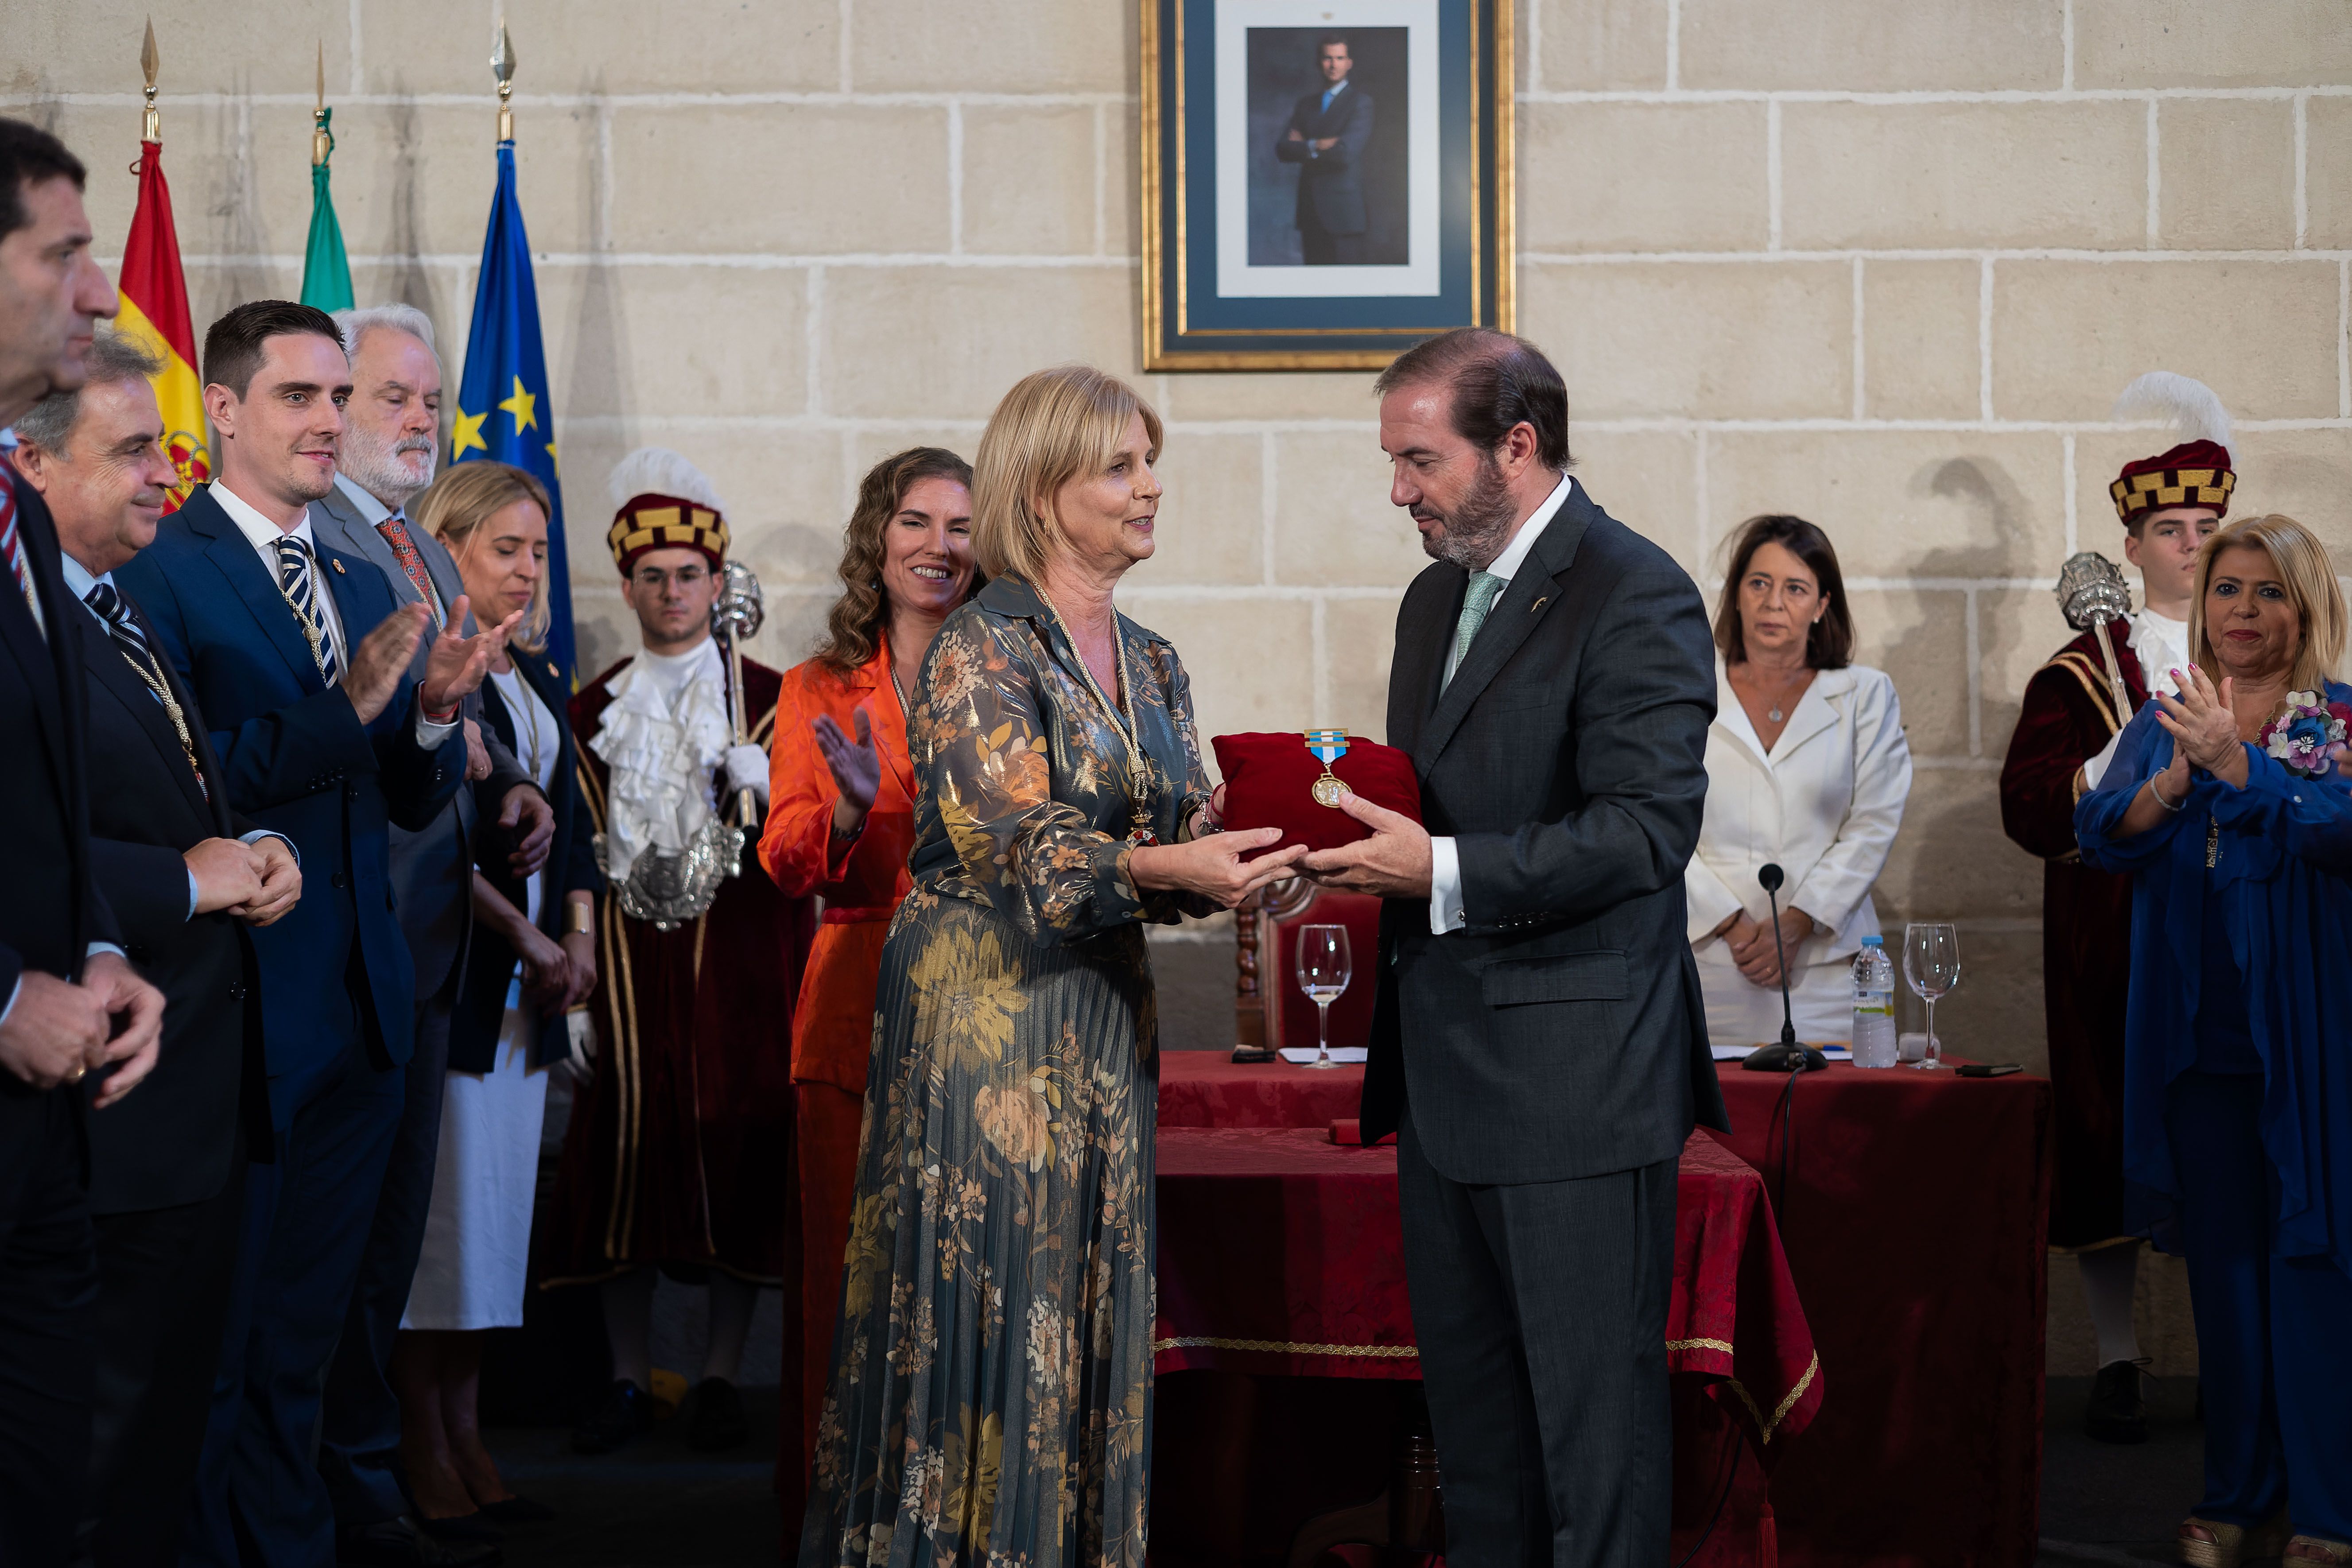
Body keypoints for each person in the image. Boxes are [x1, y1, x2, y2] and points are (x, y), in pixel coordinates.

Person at [800, 365, 1305, 1568]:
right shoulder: (983, 645)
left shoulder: (1156, 658)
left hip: (1097, 1011)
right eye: (1121, 467)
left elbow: (1168, 832)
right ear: (1044, 486)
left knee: (1083, 1295)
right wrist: (1180, 866)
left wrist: (1247, 868)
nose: (1149, 487)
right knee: (995, 1300)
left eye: (1149, 462)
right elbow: (1023, 848)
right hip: (990, 1015)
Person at [1298, 327, 1725, 1568]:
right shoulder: (1434, 595)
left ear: (1517, 447)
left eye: (1418, 460)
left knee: (1592, 1453)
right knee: (1479, 1449)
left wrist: (1430, 870)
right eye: (1392, 461)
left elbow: (1642, 833)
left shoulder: (1632, 588)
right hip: (1441, 1081)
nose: (1397, 492)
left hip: (1575, 1087)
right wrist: (1315, 862)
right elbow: (1426, 806)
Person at [113, 299, 512, 1568]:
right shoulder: (158, 575)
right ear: (222, 410)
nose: (331, 422)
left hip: (362, 1012)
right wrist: (351, 711)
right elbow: (184, 789)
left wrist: (436, 720)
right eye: (300, 397)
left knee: (313, 1337)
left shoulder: (356, 571)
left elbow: (393, 793)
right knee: (220, 1349)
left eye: (342, 398)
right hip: (238, 1024)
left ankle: (296, 1546)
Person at [8, 329, 302, 1568]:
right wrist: (180, 883)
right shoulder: (33, 630)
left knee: (175, 1438)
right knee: (93, 1455)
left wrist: (256, 843)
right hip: (107, 1103)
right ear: (29, 466)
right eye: (130, 452)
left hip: (199, 1099)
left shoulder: (120, 604)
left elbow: (184, 794)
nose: (161, 480)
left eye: (163, 450)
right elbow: (40, 847)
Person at [314, 302, 550, 1565]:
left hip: (425, 953)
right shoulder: (330, 545)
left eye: (428, 400)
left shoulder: (401, 542)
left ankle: (362, 1485)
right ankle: (350, 1490)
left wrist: (505, 788)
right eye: (389, 395)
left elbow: (441, 734)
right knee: (341, 1264)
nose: (418, 418)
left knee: (384, 1252)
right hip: (351, 953)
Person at [2075, 513, 2352, 1568]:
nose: (2242, 611)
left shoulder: (2330, 718)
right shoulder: (2167, 714)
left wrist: (2242, 765)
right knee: (2227, 1282)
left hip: (2308, 1043)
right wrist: (2172, 778)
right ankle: (2235, 1492)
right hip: (2195, 1045)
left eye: (2267, 591)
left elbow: (2334, 830)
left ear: (2305, 604)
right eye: (2227, 589)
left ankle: (2325, 1508)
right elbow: (2101, 834)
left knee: (2313, 1267)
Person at [547, 448, 815, 1457]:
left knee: (742, 1151)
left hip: (746, 964)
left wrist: (776, 777)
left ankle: (713, 1377)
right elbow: (570, 847)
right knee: (621, 1155)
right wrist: (567, 990)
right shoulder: (587, 712)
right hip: (622, 969)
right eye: (651, 575)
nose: (671, 591)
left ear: (718, 580)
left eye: (688, 573)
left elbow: (812, 848)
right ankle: (626, 1377)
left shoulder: (777, 699)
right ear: (626, 585)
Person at [2000, 377, 2230, 1444]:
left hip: (2230, 928)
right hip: (2114, 934)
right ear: (2129, 548)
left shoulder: (2259, 651)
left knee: (2226, 1133)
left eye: (2206, 526)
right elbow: (2027, 806)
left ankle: (2237, 1353)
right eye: (2169, 529)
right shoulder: (2078, 674)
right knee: (2106, 1133)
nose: (2190, 545)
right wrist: (2125, 746)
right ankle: (2118, 1358)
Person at [0, 118, 166, 1568]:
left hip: (44, 1139)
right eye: (61, 252)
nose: (100, 294)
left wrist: (101, 951)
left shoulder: (14, 516)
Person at [758, 446, 979, 1521]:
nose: (938, 546)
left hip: (988, 1014)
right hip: (854, 1009)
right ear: (876, 539)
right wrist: (848, 809)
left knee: (960, 1282)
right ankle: (843, 1511)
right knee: (849, 1281)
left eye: (960, 526)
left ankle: (962, 1508)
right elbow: (786, 858)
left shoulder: (1016, 674)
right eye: (915, 522)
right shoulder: (816, 686)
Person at [396, 460, 600, 1529]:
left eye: (535, 550)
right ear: (452, 548)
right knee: (440, 1228)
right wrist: (522, 933)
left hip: (530, 993)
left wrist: (570, 934)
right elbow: (427, 840)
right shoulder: (440, 673)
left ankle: (468, 1429)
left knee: (492, 1230)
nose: (526, 570)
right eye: (503, 549)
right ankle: (420, 1444)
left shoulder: (539, 675)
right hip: (463, 985)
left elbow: (572, 826)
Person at [1686, 514, 1910, 1045]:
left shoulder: (1865, 695)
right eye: (1758, 583)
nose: (1773, 603)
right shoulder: (1687, 687)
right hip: (1709, 959)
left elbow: (1874, 822)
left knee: (1836, 1119)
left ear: (1822, 605)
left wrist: (1799, 923)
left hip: (1826, 966)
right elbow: (1655, 816)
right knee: (1714, 1123)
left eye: (1795, 588)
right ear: (1736, 594)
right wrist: (1731, 924)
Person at [1274, 35, 1374, 265]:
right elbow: (1283, 149)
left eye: (1340, 58)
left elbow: (1344, 155)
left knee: (1346, 287)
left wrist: (1304, 144)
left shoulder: (1361, 103)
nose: (1333, 65)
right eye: (1328, 58)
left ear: (1349, 63)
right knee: (1313, 285)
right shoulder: (1306, 104)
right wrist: (1317, 144)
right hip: (1310, 212)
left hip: (1344, 214)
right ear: (1319, 62)